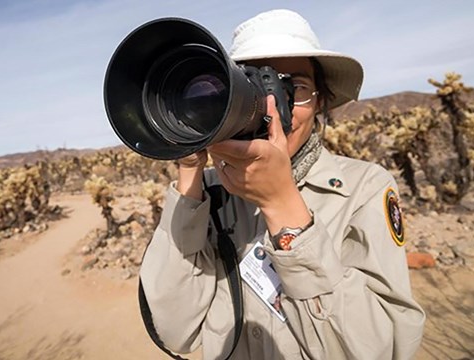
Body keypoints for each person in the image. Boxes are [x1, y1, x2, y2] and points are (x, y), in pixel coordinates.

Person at [140, 8, 425, 360]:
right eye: (254, 84)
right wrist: (189, 169)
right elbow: (174, 332)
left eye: (296, 87)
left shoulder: (363, 188)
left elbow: (385, 350)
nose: (274, 106)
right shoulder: (209, 193)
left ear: (320, 100)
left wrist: (281, 206)